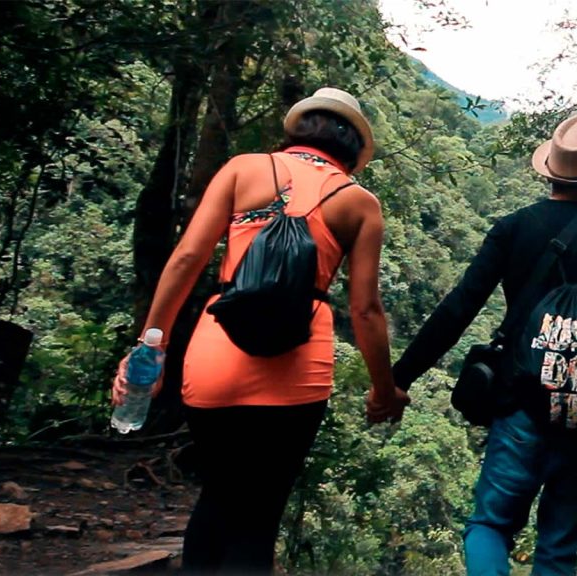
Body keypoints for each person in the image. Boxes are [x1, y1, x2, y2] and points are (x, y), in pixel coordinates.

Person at [111, 87, 409, 574]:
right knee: (259, 516)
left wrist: (152, 347)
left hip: (215, 356)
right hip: (297, 370)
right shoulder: (360, 203)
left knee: (218, 495)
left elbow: (188, 258)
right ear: (353, 148)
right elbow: (367, 311)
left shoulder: (243, 168)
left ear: (298, 130)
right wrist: (383, 390)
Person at [392, 114, 577, 575]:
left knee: (491, 526)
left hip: (521, 401)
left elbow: (459, 307)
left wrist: (399, 378)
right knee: (559, 550)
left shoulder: (513, 229)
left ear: (548, 172)